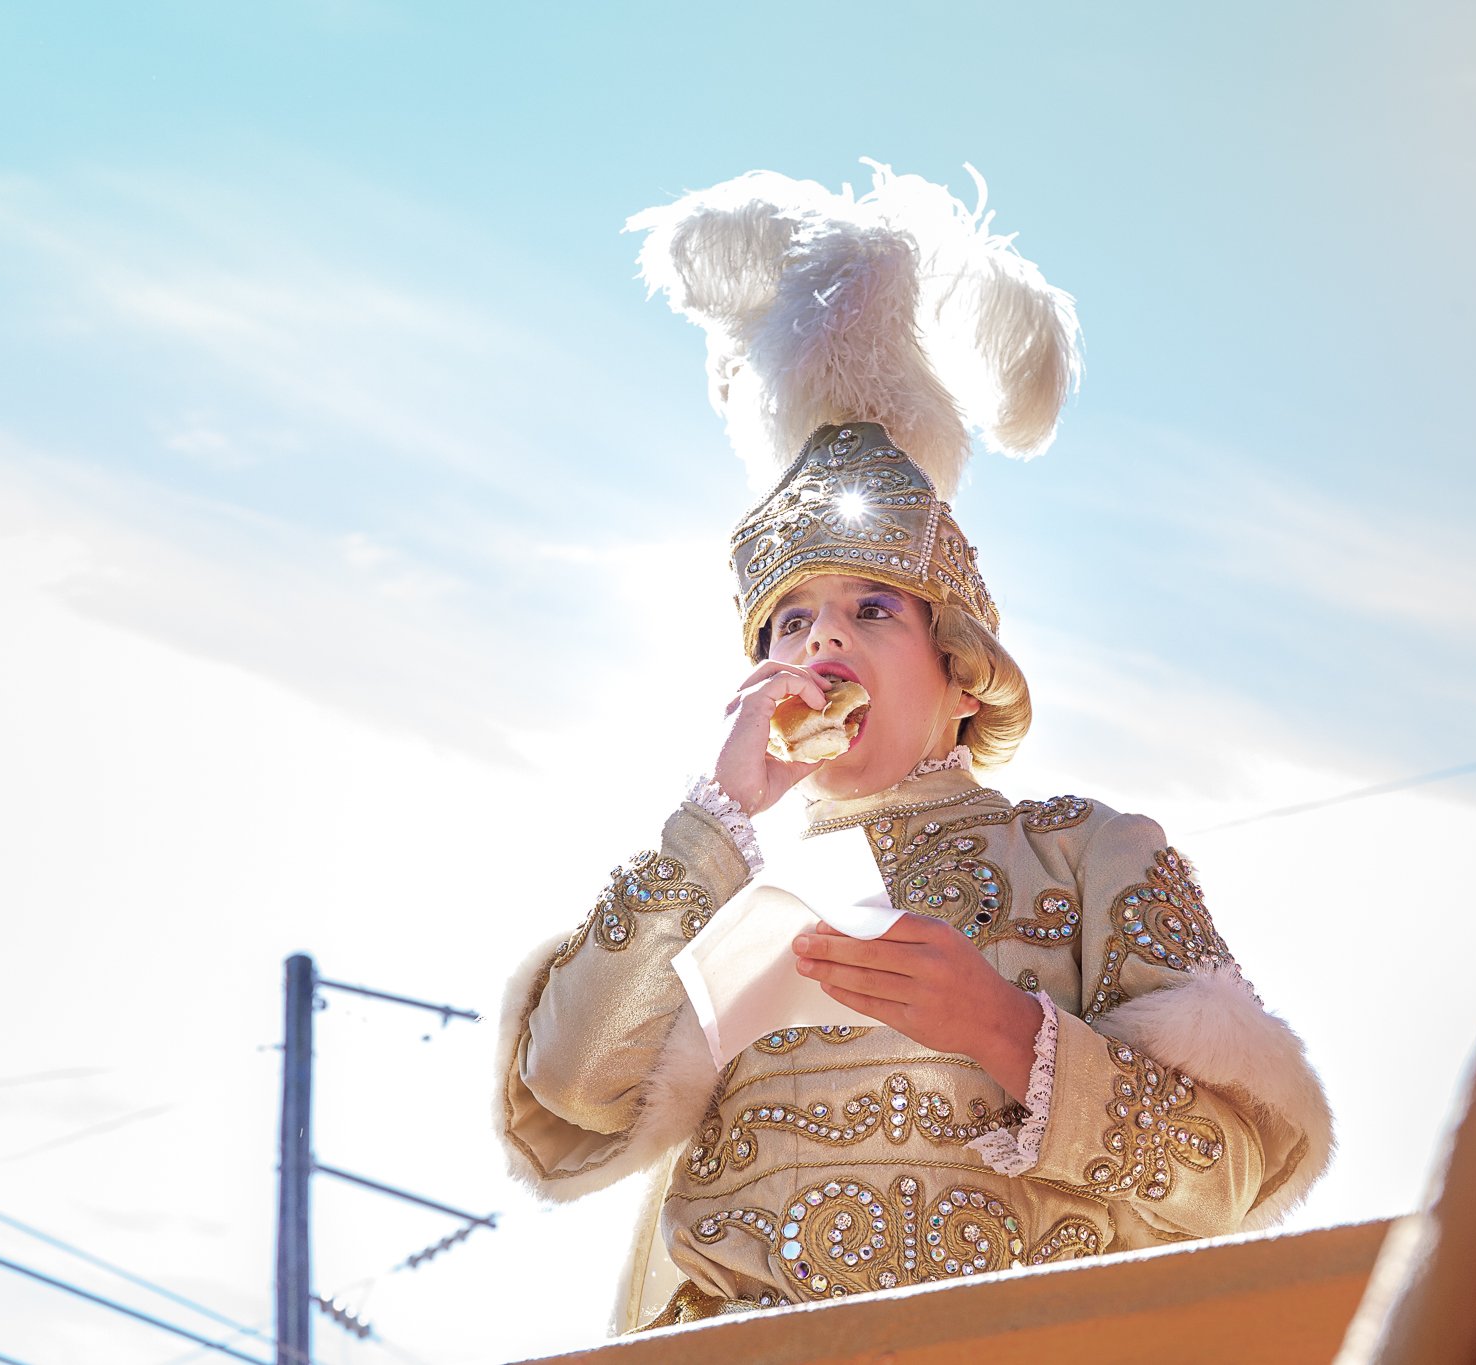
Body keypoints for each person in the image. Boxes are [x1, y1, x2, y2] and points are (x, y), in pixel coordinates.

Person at [495, 164, 1333, 1331]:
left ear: (959, 667)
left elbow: (1235, 1171)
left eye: (871, 609)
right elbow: (569, 1088)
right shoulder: (724, 896)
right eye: (791, 620)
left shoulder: (1094, 856)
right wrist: (715, 816)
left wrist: (1007, 1033)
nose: (822, 635)